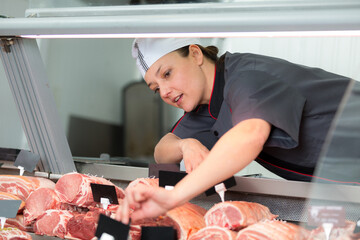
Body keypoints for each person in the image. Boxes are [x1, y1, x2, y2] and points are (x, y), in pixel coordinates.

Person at [115, 37, 351, 224]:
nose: (165, 91)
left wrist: (174, 197)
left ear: (196, 54)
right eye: (156, 88)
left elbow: (250, 135)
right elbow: (162, 151)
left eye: (167, 74)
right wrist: (186, 144)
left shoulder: (245, 76)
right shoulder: (203, 107)